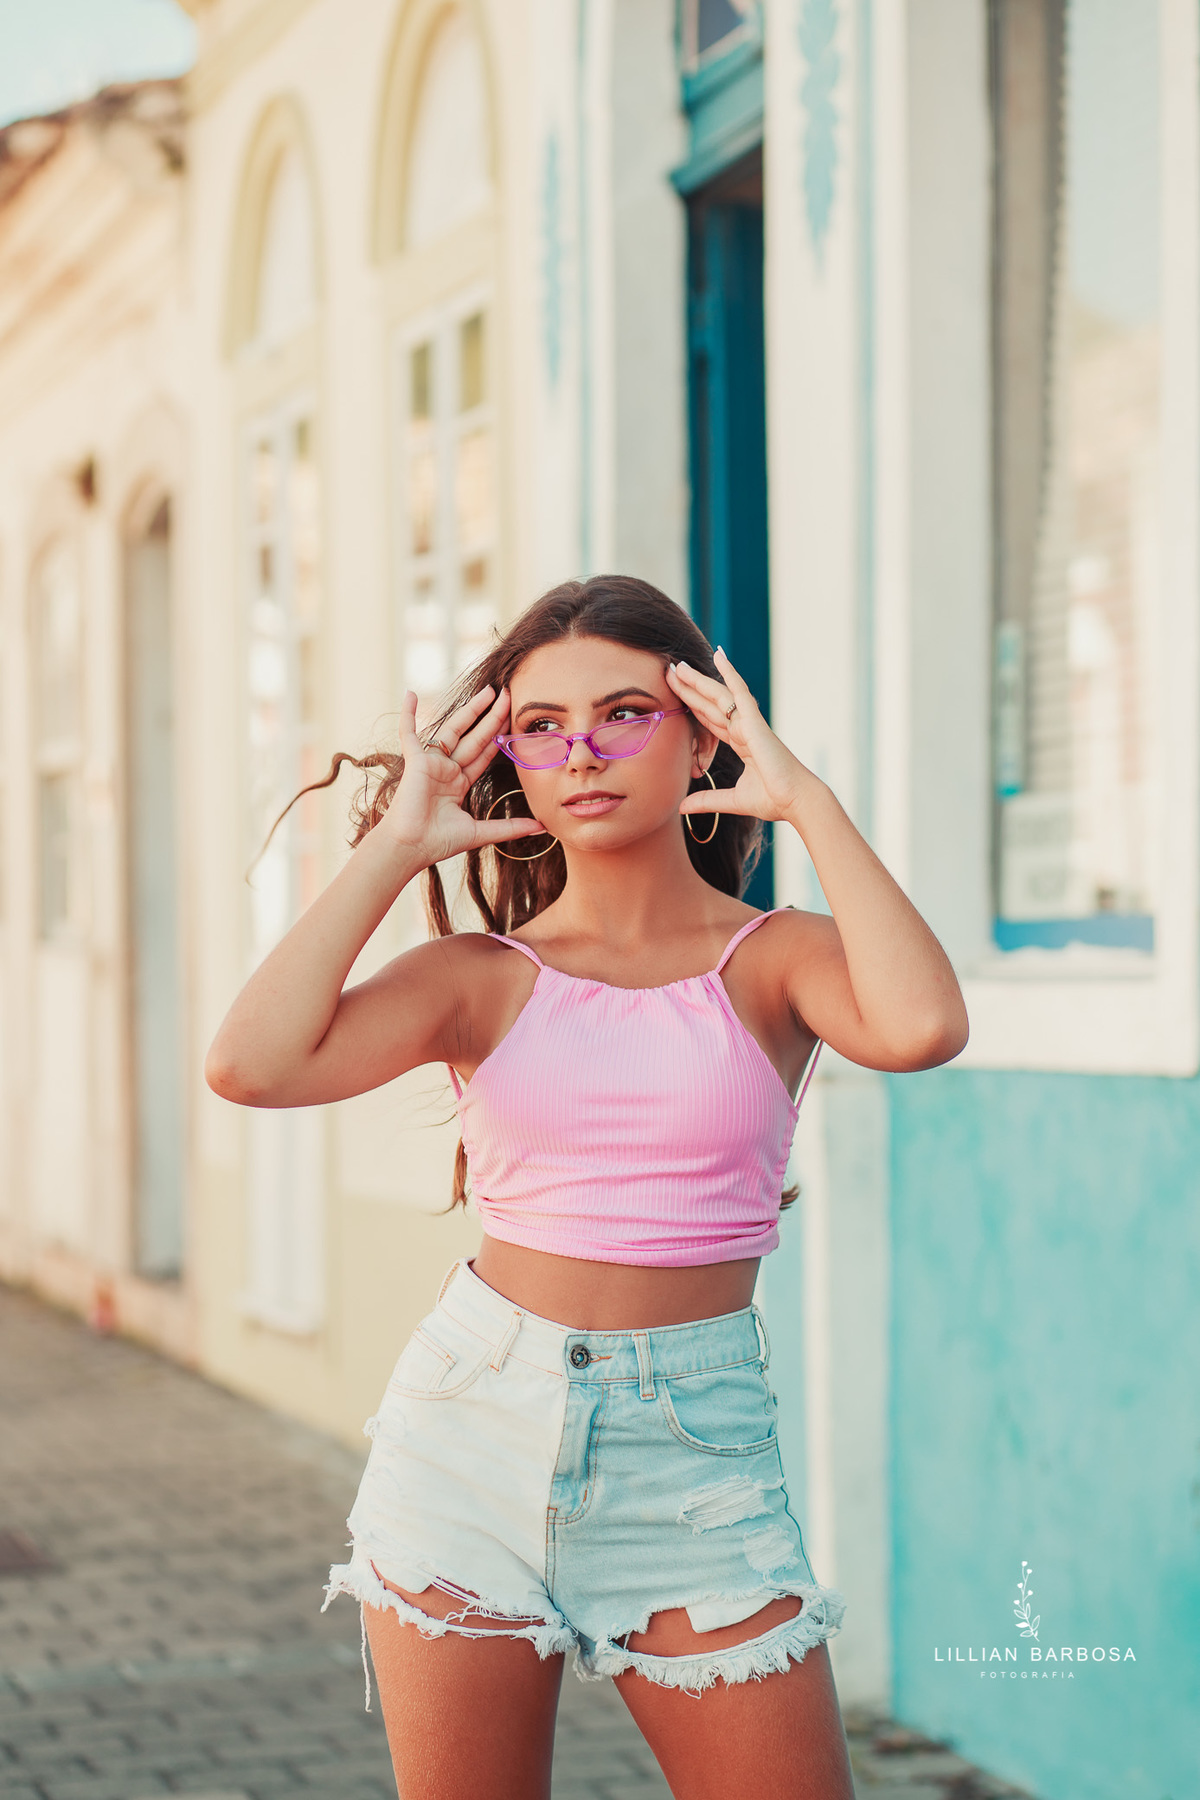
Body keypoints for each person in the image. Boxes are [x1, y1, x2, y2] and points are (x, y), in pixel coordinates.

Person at [206, 575, 968, 1800]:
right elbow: (250, 1062)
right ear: (508, 754)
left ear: (702, 733)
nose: (583, 753)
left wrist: (810, 803)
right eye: (543, 726)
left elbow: (923, 1023)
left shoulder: (774, 961)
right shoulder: (479, 977)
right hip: (468, 1431)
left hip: (697, 1454)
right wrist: (398, 845)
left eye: (625, 713)